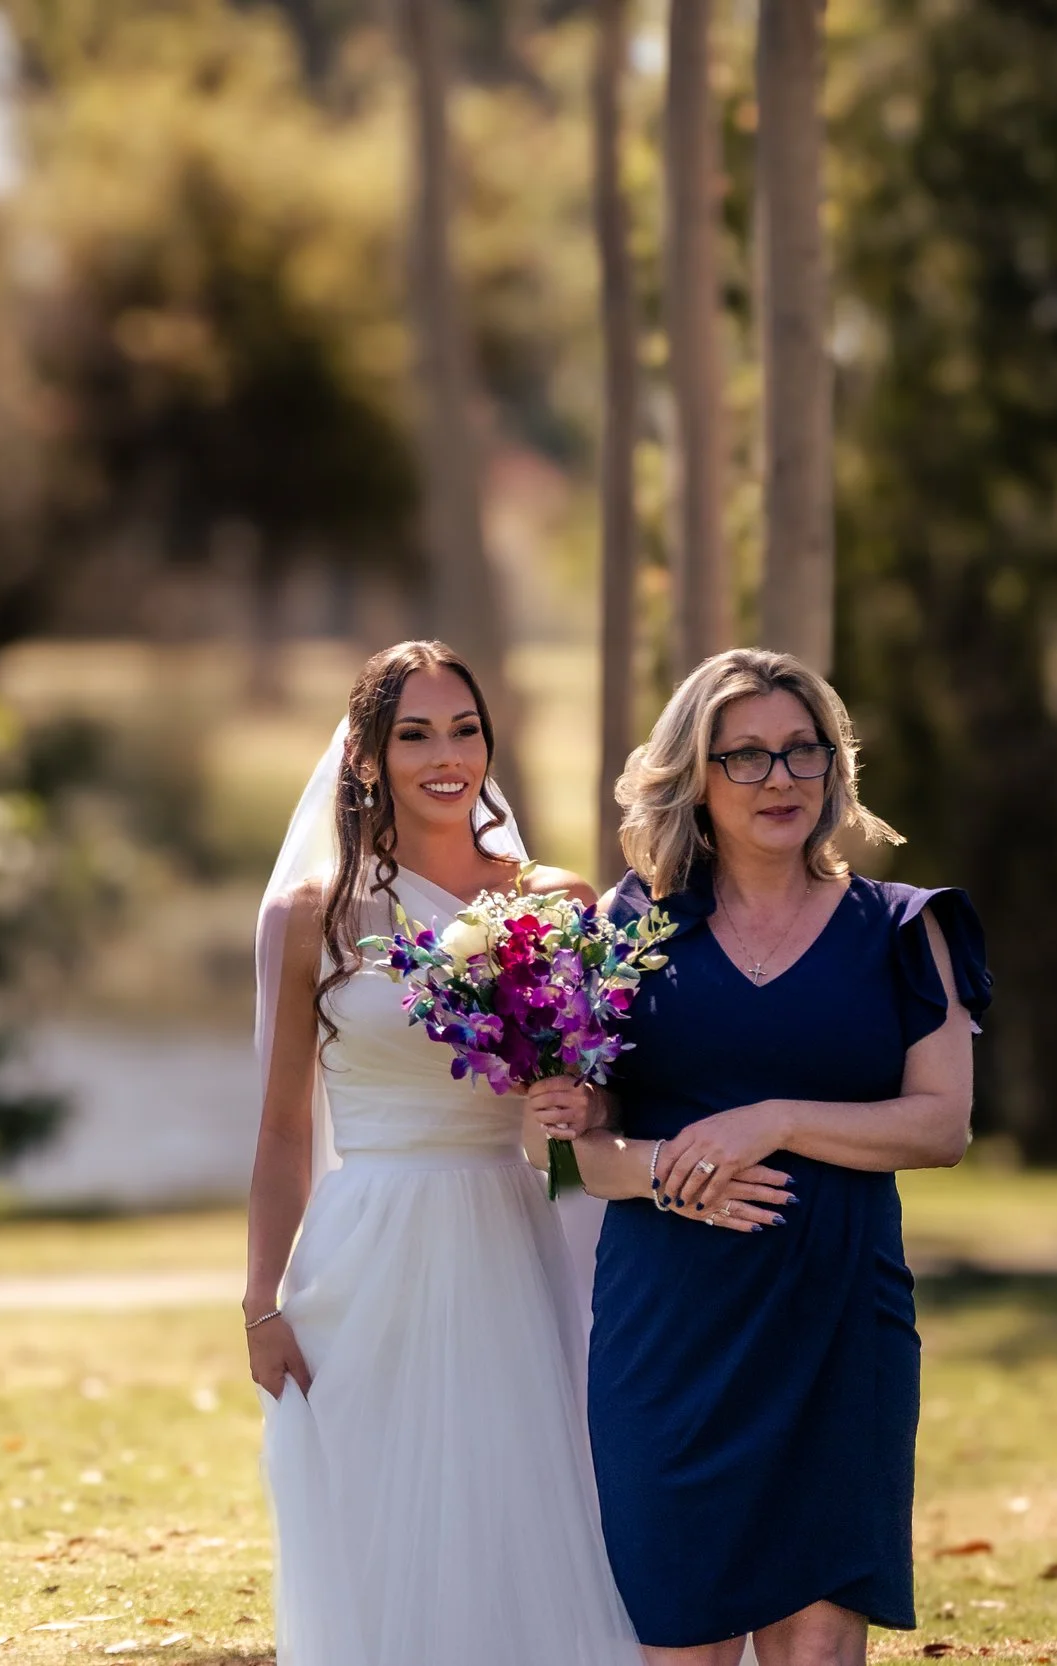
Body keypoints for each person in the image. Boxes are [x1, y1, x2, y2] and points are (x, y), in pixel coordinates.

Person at [531, 648, 989, 1666]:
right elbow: (584, 1159)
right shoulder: (625, 930)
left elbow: (940, 1126)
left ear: (835, 767)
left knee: (818, 1647)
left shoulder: (906, 930)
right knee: (683, 1645)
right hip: (670, 1331)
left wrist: (773, 1118)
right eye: (744, 756)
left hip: (836, 1324)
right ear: (695, 773)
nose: (779, 778)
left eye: (801, 751)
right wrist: (654, 1162)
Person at [243, 639, 647, 1665]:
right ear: (368, 754)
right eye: (413, 732)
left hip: (511, 1235)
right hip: (363, 1249)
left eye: (464, 728)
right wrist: (260, 1299)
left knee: (521, 1502)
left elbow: (603, 1085)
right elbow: (284, 1125)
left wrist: (576, 1098)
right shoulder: (312, 917)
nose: (445, 753)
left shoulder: (553, 901)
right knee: (379, 1517)